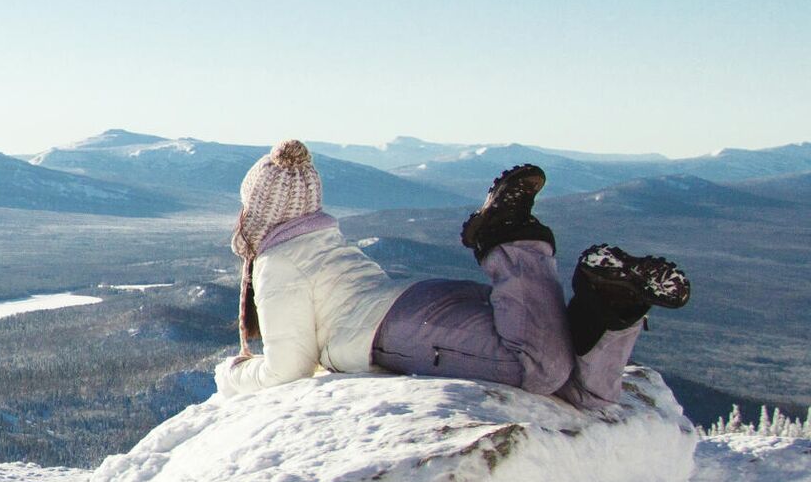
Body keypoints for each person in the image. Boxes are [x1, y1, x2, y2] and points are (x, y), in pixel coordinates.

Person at [214, 140, 690, 408]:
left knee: (536, 368)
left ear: (257, 206)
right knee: (585, 395)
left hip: (398, 330)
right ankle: (612, 303)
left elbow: (289, 369)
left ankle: (511, 237)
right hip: (422, 303)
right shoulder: (320, 236)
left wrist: (236, 374)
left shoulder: (278, 263)